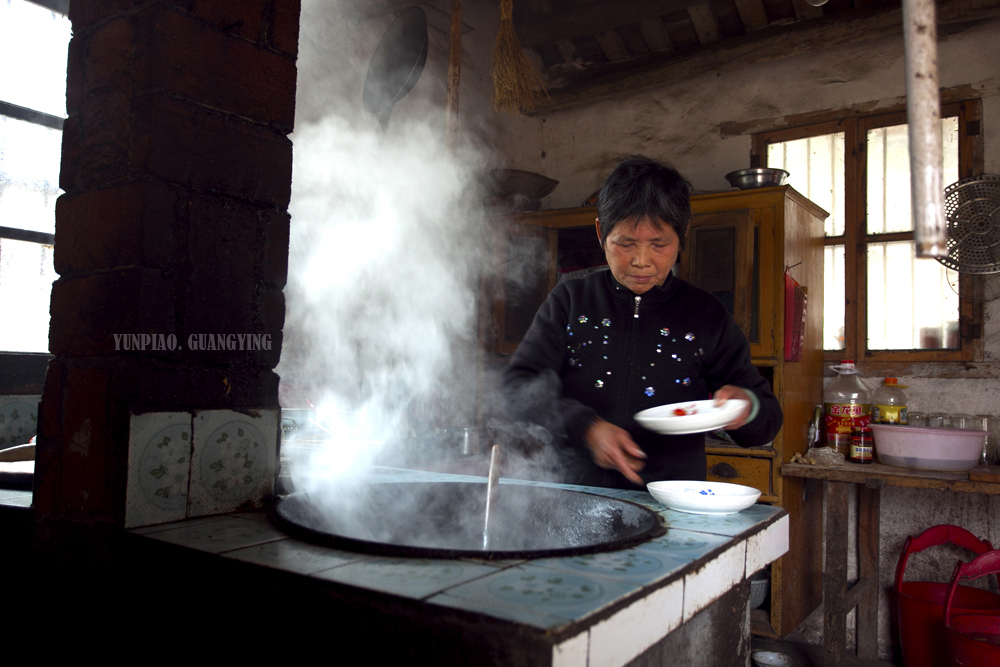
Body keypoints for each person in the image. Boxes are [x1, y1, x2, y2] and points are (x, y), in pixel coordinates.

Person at [502, 156, 782, 489]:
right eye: (625, 243)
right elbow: (517, 387)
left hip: (671, 502)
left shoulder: (705, 314)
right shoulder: (570, 302)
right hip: (573, 495)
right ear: (600, 232)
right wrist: (586, 427)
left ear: (683, 235)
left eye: (659, 244)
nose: (641, 261)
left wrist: (747, 408)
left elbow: (767, 420)